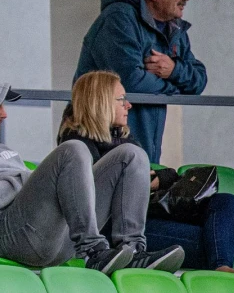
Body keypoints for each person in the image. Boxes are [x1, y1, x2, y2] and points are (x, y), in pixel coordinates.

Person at [0, 78, 169, 275]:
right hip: (13, 237)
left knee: (132, 155)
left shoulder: (4, 151)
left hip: (61, 241)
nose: (4, 114)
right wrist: (27, 179)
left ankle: (133, 250)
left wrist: (24, 180)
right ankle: (93, 250)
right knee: (74, 149)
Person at [57, 72, 203, 273]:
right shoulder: (76, 144)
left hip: (131, 214)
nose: (129, 105)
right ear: (101, 102)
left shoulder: (124, 138)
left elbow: (163, 175)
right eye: (121, 99)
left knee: (225, 201)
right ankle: (131, 249)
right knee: (132, 155)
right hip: (95, 227)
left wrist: (153, 178)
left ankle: (134, 250)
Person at [75, 0, 208, 163]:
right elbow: (130, 81)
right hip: (103, 150)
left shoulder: (173, 28)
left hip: (143, 150)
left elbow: (199, 81)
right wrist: (173, 89)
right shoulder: (119, 18)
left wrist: (173, 70)